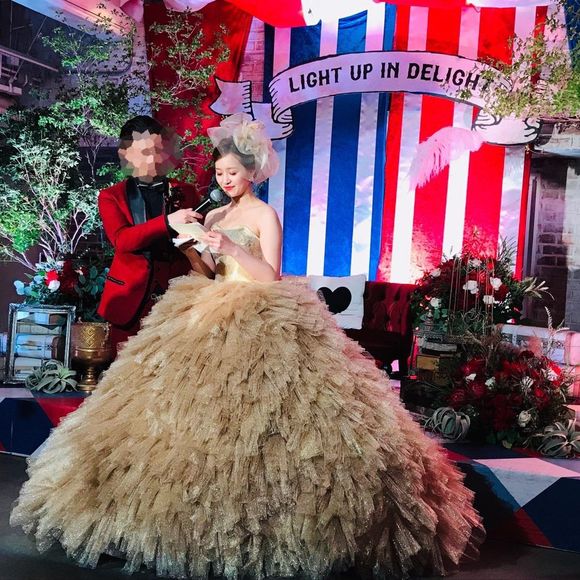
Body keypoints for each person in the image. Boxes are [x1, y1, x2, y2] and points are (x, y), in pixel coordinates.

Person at [11, 113, 484, 579]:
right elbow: (206, 272)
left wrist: (234, 250)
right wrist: (194, 248)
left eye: (232, 173)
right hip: (207, 308)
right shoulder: (215, 212)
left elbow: (270, 275)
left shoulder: (264, 214)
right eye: (219, 173)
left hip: (259, 311)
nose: (225, 180)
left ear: (252, 173)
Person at [97, 115, 202, 353]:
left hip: (179, 301)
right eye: (145, 152)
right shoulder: (111, 196)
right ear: (125, 154)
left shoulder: (185, 191)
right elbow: (122, 241)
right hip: (130, 303)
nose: (153, 159)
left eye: (157, 150)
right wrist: (167, 221)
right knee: (126, 372)